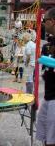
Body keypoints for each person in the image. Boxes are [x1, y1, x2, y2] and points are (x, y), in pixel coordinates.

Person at [36, 8, 55, 146]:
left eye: (45, 21)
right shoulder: (50, 43)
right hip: (48, 96)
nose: (43, 24)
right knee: (45, 137)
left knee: (51, 140)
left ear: (52, 21)